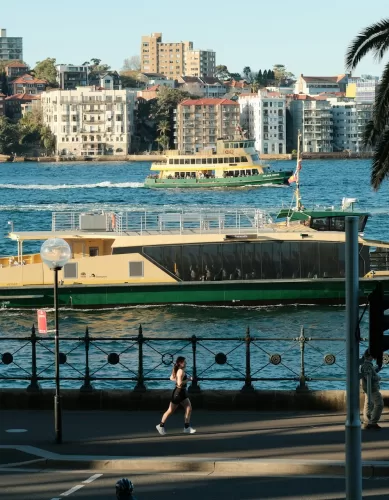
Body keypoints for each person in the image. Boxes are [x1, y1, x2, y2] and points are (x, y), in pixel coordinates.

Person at [156, 356, 196, 435]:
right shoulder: (180, 371)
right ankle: (160, 426)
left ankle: (187, 427)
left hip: (182, 392)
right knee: (170, 410)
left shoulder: (178, 370)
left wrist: (179, 379)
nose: (186, 363)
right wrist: (188, 379)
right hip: (178, 393)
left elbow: (171, 378)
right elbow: (179, 384)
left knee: (189, 408)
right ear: (181, 363)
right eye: (184, 361)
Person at [361, 349, 384, 430]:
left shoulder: (366, 364)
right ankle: (373, 422)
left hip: (367, 387)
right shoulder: (367, 365)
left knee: (368, 404)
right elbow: (368, 377)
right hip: (372, 388)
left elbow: (369, 373)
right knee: (379, 404)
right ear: (370, 356)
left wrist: (377, 369)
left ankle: (367, 422)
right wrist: (378, 377)